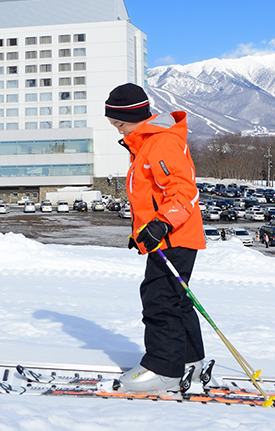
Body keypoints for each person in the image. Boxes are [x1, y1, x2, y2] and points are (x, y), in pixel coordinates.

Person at [105, 83, 206, 393]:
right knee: (175, 299)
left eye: (119, 123)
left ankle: (165, 369)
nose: (117, 129)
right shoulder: (146, 144)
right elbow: (151, 196)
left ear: (134, 116)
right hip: (168, 237)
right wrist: (142, 233)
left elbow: (184, 190)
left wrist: (161, 225)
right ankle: (189, 361)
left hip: (174, 236)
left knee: (159, 300)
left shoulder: (160, 143)